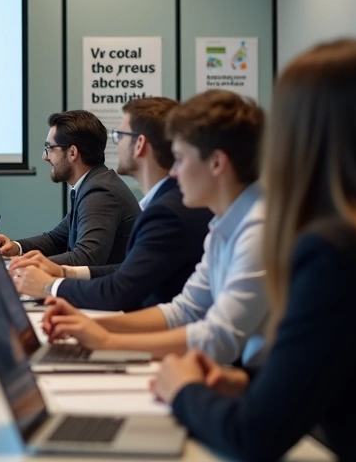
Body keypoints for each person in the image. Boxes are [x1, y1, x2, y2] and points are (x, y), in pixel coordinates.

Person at [152, 40, 356, 460]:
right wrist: (253, 384)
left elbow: (253, 436)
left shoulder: (336, 253)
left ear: (297, 138)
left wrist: (183, 390)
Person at [41, 90, 268, 365]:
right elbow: (185, 311)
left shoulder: (259, 231)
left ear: (217, 163)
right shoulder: (222, 224)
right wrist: (88, 326)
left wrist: (107, 341)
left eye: (181, 159)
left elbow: (218, 339)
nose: (173, 172)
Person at [8, 98, 212, 311]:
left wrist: (50, 285)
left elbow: (117, 287)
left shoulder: (158, 208)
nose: (115, 142)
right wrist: (60, 272)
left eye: (120, 135)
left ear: (140, 144)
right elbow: (124, 271)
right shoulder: (157, 200)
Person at [0, 110, 140, 267]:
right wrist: (15, 248)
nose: (45, 157)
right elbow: (57, 239)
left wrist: (25, 263)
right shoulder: (91, 184)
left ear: (72, 152)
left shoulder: (100, 192)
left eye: (49, 148)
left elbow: (85, 258)